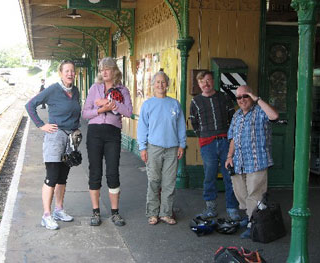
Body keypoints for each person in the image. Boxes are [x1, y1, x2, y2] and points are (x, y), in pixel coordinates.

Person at [25, 60, 81, 230]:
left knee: (63, 177)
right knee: (52, 176)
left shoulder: (75, 91)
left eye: (72, 71)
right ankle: (46, 215)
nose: (70, 73)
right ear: (60, 73)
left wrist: (76, 130)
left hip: (70, 139)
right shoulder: (53, 89)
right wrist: (41, 125)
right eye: (67, 71)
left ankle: (59, 210)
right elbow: (30, 105)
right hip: (55, 137)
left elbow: (75, 112)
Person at [82, 57, 132, 227]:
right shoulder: (94, 88)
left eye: (107, 69)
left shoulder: (123, 90)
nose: (104, 72)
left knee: (112, 171)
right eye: (102, 69)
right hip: (94, 133)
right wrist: (102, 109)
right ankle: (95, 212)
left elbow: (128, 111)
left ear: (114, 71)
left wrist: (111, 103)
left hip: (112, 133)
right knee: (95, 171)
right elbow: (86, 113)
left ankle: (115, 213)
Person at [225, 85, 279, 239]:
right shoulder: (236, 116)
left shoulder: (260, 111)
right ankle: (250, 216)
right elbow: (233, 138)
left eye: (245, 96)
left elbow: (274, 116)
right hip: (238, 162)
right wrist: (229, 156)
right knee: (241, 193)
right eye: (238, 97)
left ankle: (253, 223)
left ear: (251, 96)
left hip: (257, 161)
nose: (242, 100)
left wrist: (257, 99)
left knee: (255, 194)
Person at [189, 71, 240, 221]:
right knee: (209, 176)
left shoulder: (224, 98)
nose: (206, 84)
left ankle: (232, 208)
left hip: (225, 141)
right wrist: (204, 135)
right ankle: (210, 208)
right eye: (202, 82)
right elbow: (194, 122)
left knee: (229, 175)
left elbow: (233, 118)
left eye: (208, 80)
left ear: (213, 81)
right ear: (199, 85)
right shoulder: (196, 101)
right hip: (207, 143)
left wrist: (230, 138)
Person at [137, 71, 186, 225]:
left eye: (163, 82)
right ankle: (152, 213)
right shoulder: (148, 105)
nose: (160, 85)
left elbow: (181, 126)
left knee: (169, 182)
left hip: (172, 148)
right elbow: (142, 127)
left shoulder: (175, 104)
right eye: (157, 82)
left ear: (167, 84)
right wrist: (142, 148)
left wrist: (182, 144)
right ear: (153, 85)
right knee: (153, 181)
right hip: (153, 148)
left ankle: (165, 213)